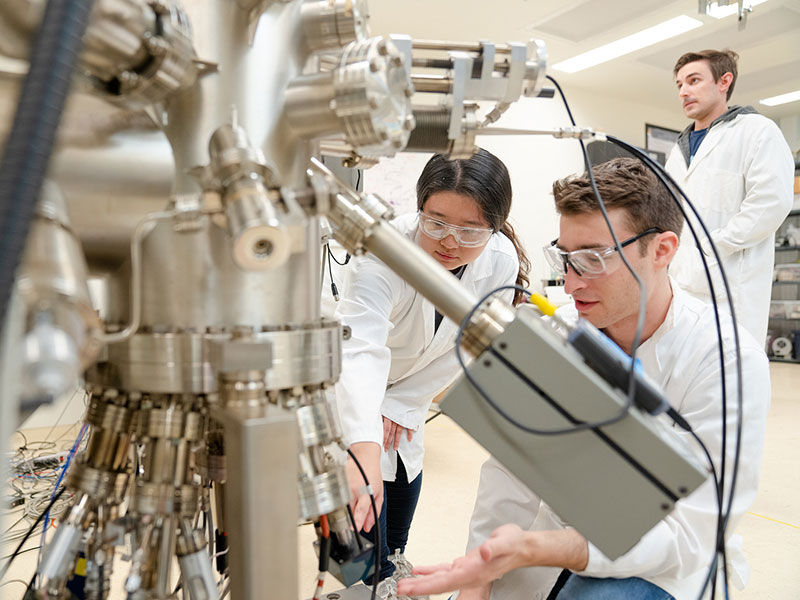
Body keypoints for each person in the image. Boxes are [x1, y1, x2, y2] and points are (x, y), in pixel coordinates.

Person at [397, 157, 770, 600]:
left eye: (593, 259)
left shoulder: (724, 359)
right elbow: (509, 474)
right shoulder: (557, 333)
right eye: (565, 259)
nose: (571, 285)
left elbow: (694, 533)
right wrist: (478, 577)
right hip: (554, 545)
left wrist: (542, 548)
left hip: (663, 566)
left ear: (663, 249)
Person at [332, 148, 531, 596]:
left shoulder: (500, 261)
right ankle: (353, 587)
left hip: (407, 406)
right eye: (436, 222)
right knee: (356, 537)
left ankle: (387, 581)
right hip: (355, 402)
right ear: (419, 206)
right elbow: (359, 351)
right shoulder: (380, 254)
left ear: (494, 226)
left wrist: (403, 404)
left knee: (396, 527)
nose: (450, 241)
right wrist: (360, 445)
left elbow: (468, 347)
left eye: (470, 229)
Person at [666, 48, 794, 344]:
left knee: (732, 376)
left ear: (724, 82)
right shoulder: (678, 150)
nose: (684, 91)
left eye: (694, 80)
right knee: (685, 372)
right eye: (680, 84)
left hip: (732, 286)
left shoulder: (757, 131)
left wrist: (715, 245)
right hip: (680, 282)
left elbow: (770, 203)